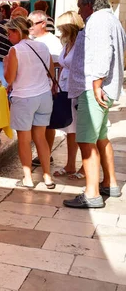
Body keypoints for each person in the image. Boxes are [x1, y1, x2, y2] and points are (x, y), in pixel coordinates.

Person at [64, 0, 126, 209]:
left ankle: (92, 194)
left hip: (94, 89)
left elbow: (102, 53)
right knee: (100, 137)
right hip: (102, 88)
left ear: (89, 4)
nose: (79, 12)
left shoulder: (98, 20)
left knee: (86, 140)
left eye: (80, 5)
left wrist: (97, 83)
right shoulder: (112, 20)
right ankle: (110, 183)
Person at [4, 16, 56, 189]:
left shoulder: (15, 50)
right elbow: (51, 73)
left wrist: (6, 65)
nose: (8, 37)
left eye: (8, 34)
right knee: (40, 138)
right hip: (43, 96)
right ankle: (47, 177)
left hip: (24, 98)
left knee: (24, 140)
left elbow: (9, 78)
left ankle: (28, 178)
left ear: (15, 32)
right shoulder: (42, 46)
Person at [52, 11, 85, 179]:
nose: (59, 31)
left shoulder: (81, 43)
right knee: (70, 130)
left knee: (80, 130)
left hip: (77, 90)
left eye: (61, 27)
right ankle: (70, 164)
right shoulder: (68, 44)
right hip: (65, 89)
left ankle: (85, 167)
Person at [28, 10, 63, 167]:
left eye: (32, 24)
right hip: (33, 87)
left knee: (47, 124)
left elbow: (57, 66)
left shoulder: (53, 42)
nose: (29, 28)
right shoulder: (31, 39)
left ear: (43, 24)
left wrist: (53, 85)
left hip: (46, 88)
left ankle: (46, 154)